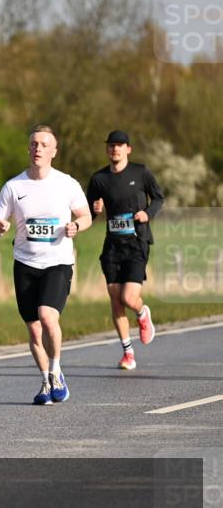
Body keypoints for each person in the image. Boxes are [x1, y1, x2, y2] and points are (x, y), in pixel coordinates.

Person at [0, 124, 92, 405]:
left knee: (48, 317)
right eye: (34, 144)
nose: (38, 149)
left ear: (54, 151)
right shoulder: (13, 186)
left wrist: (76, 226)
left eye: (45, 145)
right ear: (28, 148)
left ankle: (57, 370)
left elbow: (86, 215)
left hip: (57, 262)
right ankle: (45, 381)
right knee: (34, 328)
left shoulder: (66, 183)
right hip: (24, 263)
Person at [86, 130, 165, 370]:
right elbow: (87, 212)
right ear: (107, 150)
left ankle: (142, 313)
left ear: (128, 149)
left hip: (137, 241)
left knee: (128, 298)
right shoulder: (99, 179)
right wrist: (95, 208)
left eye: (120, 145)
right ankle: (127, 353)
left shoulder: (141, 172)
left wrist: (147, 214)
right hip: (113, 245)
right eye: (111, 146)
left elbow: (159, 198)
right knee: (115, 298)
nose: (115, 149)